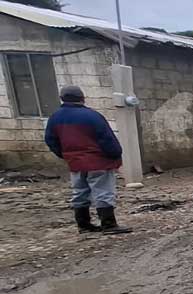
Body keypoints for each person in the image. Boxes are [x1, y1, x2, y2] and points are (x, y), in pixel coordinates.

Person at [44, 85, 131, 234]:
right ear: (82, 98)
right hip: (98, 161)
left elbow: (50, 140)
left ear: (62, 98)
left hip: (75, 163)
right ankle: (108, 224)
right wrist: (116, 155)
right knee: (103, 191)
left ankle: (83, 225)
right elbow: (107, 139)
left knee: (79, 192)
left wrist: (66, 155)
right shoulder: (92, 116)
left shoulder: (55, 118)